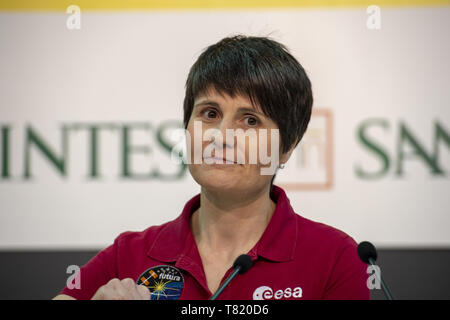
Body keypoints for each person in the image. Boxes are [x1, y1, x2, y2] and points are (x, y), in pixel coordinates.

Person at [53, 35, 369, 300]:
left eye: (250, 120)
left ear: (286, 148)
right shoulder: (129, 254)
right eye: (209, 114)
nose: (221, 138)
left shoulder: (335, 257)